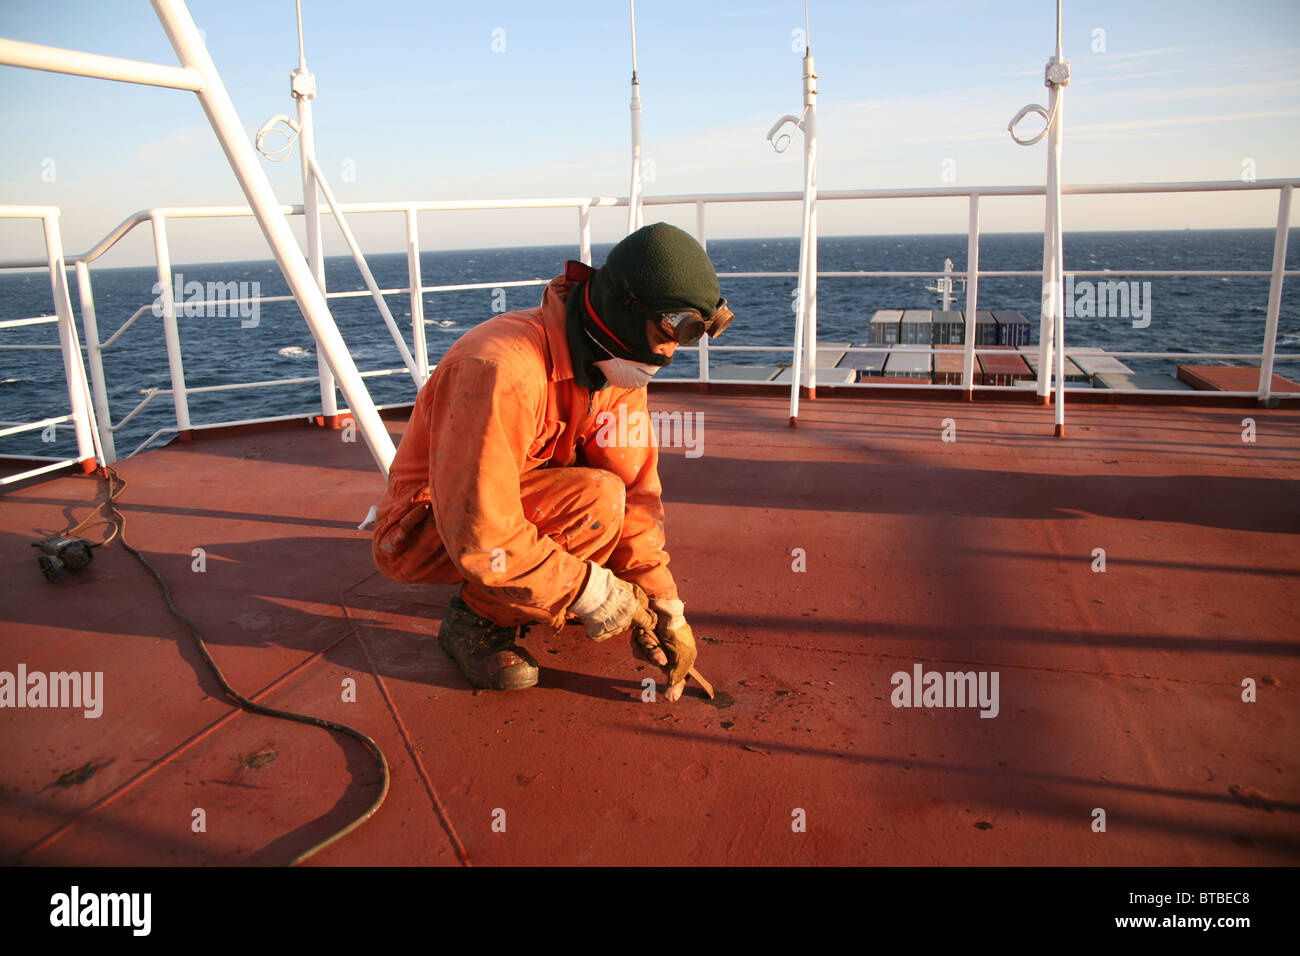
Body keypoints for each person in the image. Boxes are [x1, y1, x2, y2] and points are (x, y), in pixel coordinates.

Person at [371, 222, 733, 701]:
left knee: (612, 495)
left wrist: (661, 601)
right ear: (624, 309)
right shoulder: (501, 369)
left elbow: (637, 492)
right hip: (427, 528)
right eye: (671, 329)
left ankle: (526, 587)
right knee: (597, 501)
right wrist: (589, 591)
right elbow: (480, 529)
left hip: (516, 504)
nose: (670, 352)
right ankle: (476, 619)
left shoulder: (617, 365)